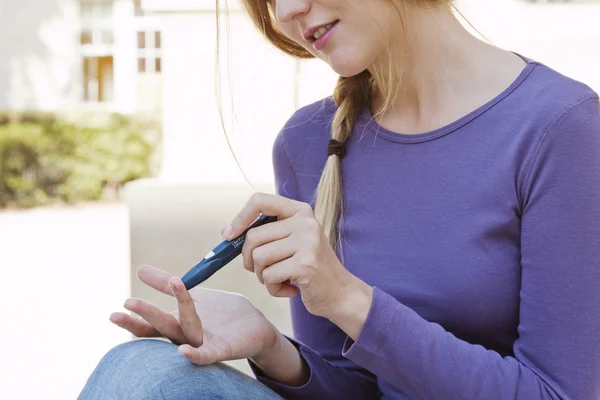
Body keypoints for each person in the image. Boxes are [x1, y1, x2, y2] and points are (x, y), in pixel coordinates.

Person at [78, 0, 600, 399]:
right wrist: (271, 347)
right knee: (144, 367)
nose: (284, 12)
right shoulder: (308, 142)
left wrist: (350, 301)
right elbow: (356, 388)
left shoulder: (561, 128)